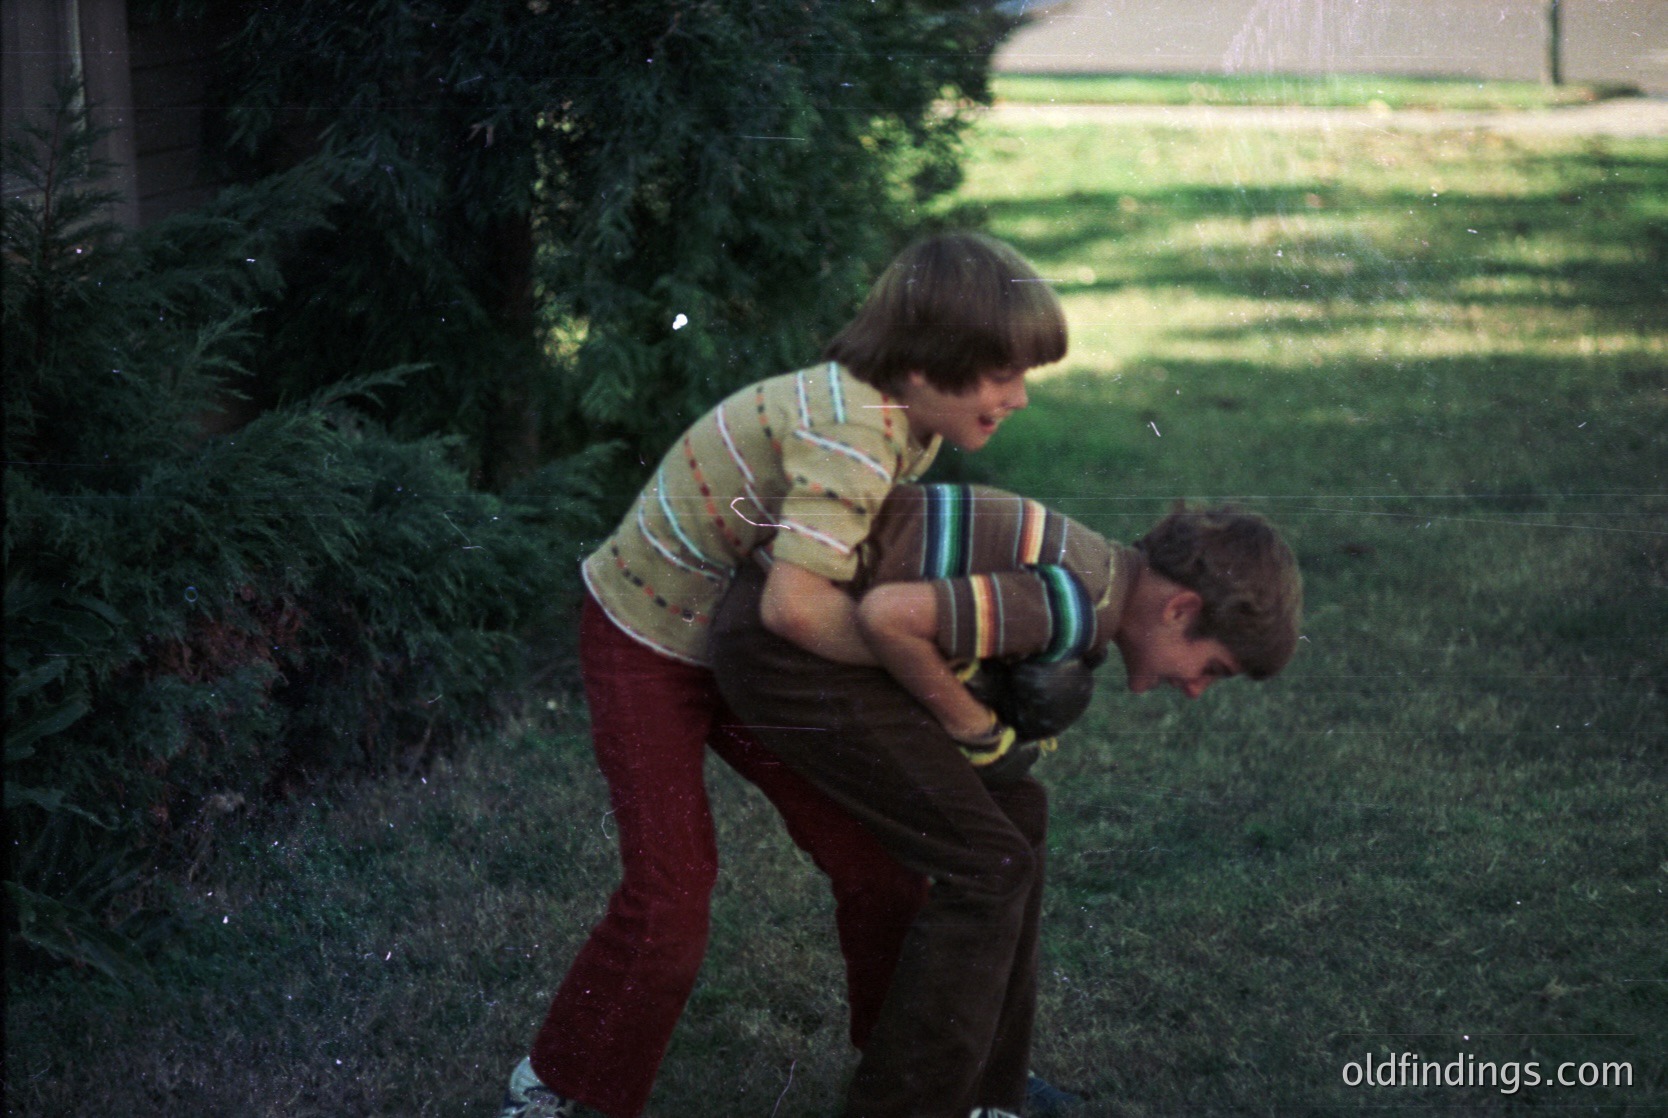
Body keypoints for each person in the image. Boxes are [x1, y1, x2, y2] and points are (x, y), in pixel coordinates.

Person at [498, 234, 1069, 1118]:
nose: (1020, 395)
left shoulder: (901, 421)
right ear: (920, 365)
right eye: (1000, 372)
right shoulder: (857, 429)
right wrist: (914, 658)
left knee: (881, 868)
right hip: (647, 640)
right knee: (672, 908)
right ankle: (559, 1089)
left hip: (739, 651)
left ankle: (915, 1071)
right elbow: (798, 608)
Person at [707, 484, 1303, 1118]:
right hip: (784, 650)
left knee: (1019, 818)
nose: (1195, 691)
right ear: (1181, 609)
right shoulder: (1072, 602)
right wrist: (976, 730)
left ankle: (991, 1096)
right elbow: (886, 616)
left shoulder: (1096, 576)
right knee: (989, 865)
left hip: (804, 641)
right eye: (1212, 669)